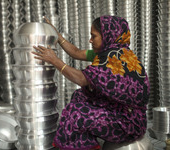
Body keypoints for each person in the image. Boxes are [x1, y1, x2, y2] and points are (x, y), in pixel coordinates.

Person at [32, 16, 150, 150]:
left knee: (77, 115)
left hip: (129, 124)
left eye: (94, 36)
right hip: (120, 111)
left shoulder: (116, 59)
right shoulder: (105, 53)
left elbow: (82, 79)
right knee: (79, 96)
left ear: (107, 36)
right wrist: (57, 36)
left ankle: (82, 145)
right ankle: (86, 144)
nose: (90, 40)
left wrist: (54, 60)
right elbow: (76, 53)